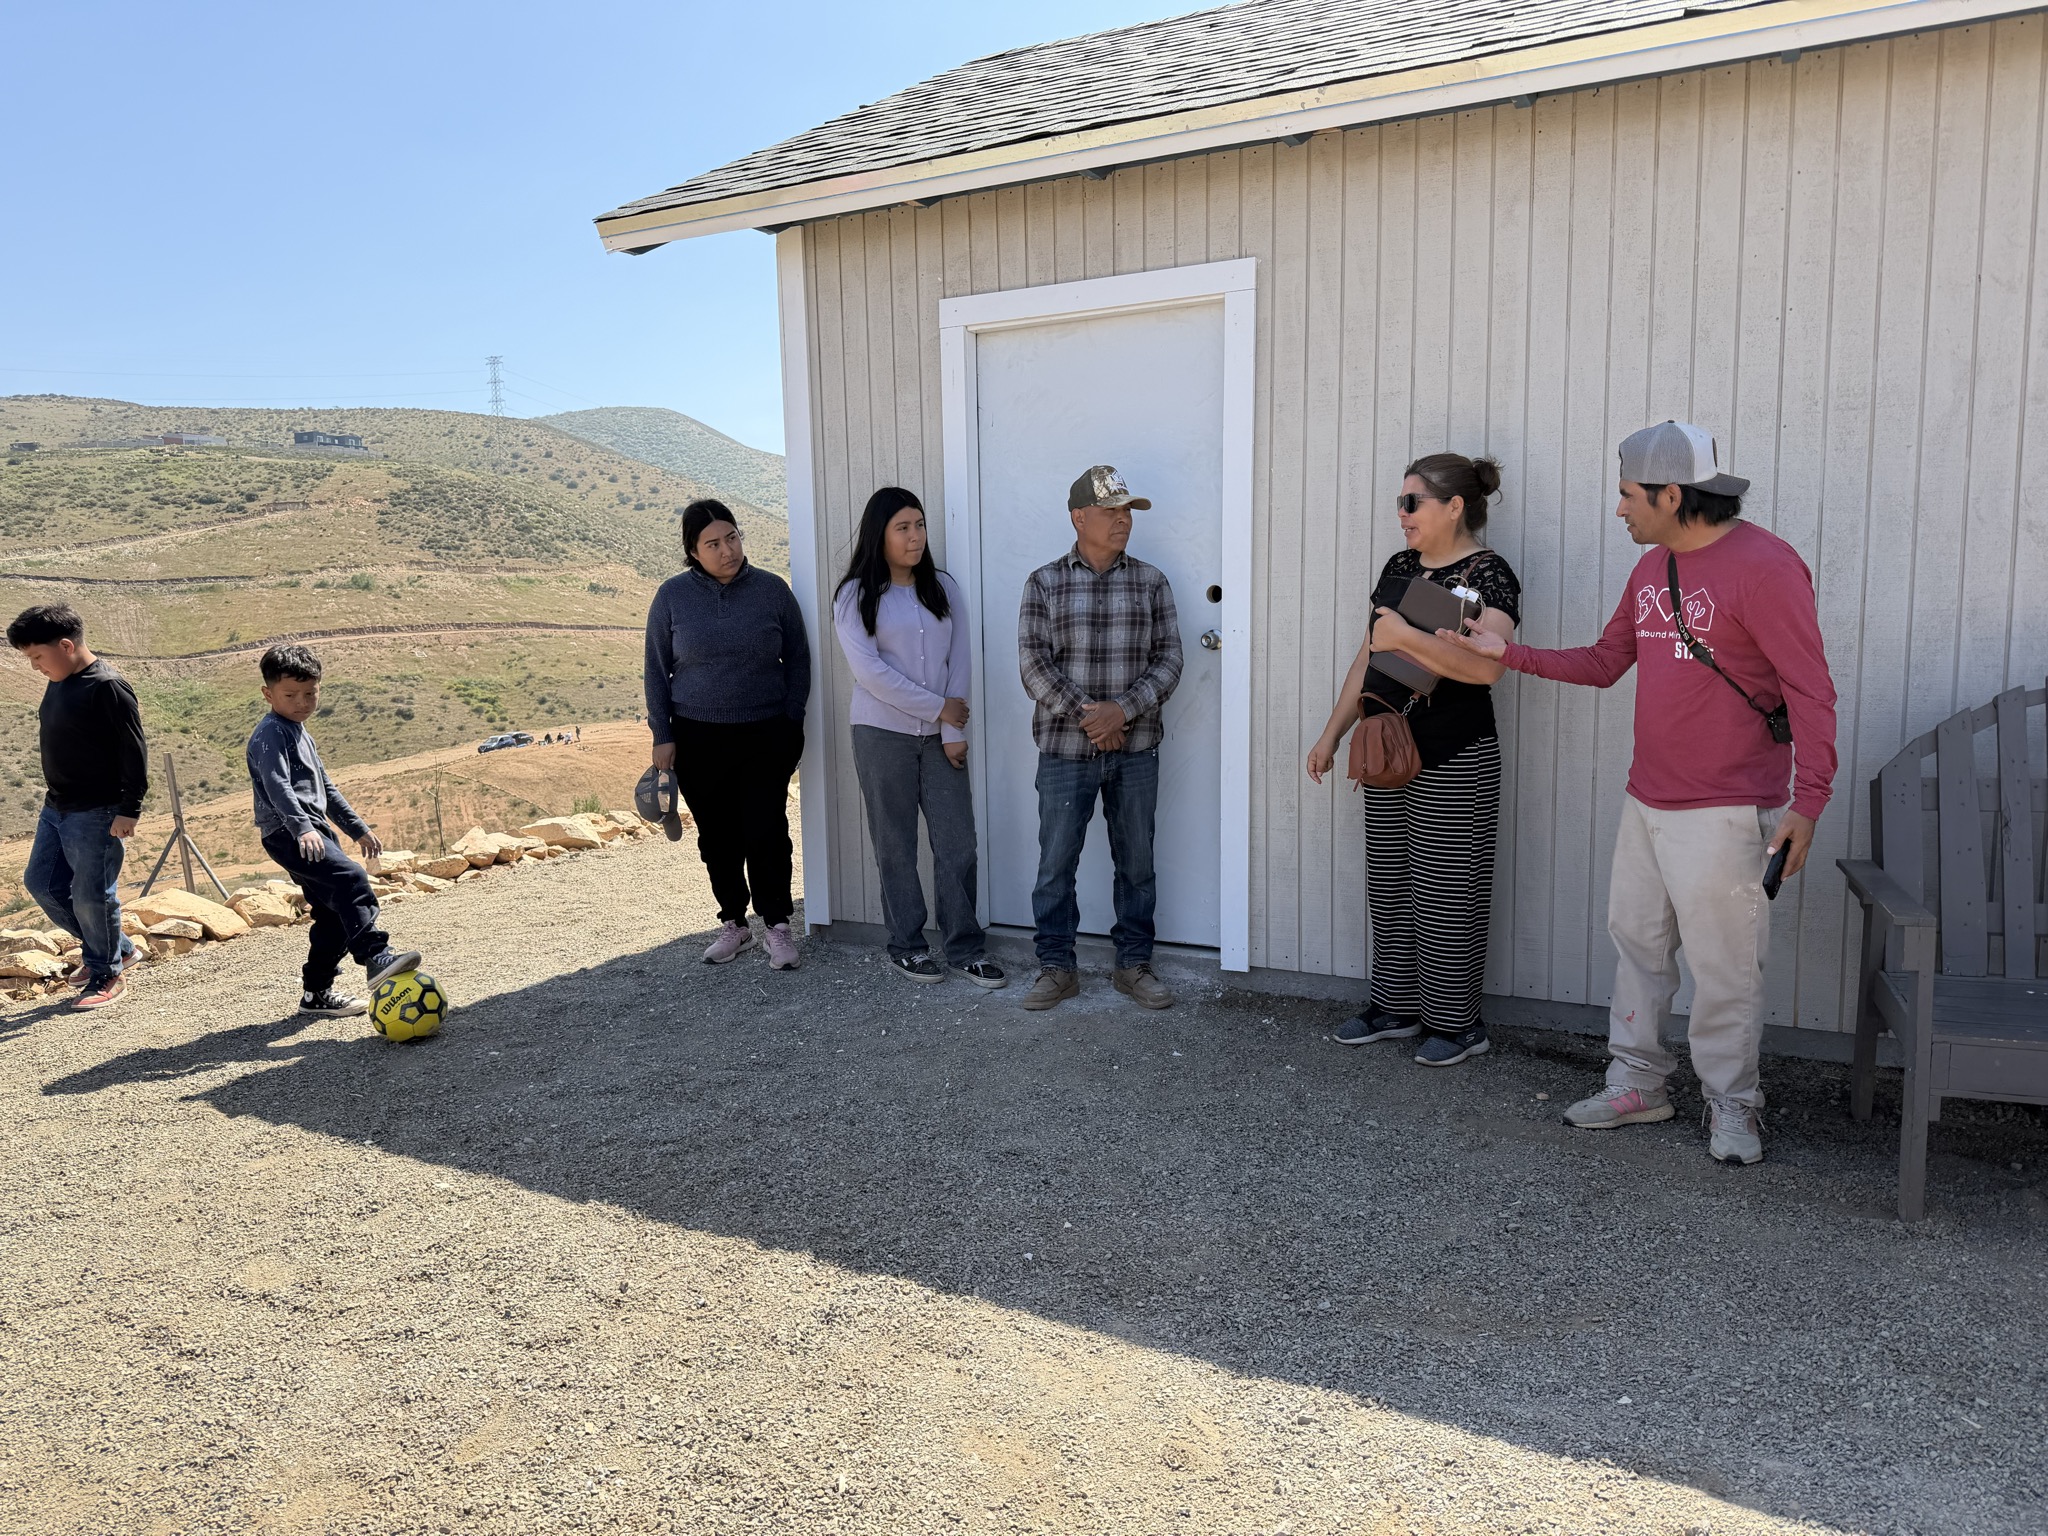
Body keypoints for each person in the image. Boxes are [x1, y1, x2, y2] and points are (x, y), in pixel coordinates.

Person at [1442, 421, 1838, 1164]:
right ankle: (1639, 1083)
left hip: (1726, 808)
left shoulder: (1767, 566)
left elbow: (1811, 690)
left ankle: (1734, 1104)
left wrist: (1808, 802)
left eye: (1628, 495)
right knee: (1638, 948)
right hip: (1648, 798)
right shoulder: (1654, 568)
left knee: (1725, 968)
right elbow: (1603, 661)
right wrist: (1506, 652)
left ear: (1671, 493)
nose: (1619, 509)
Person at [1307, 454, 1521, 1067]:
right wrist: (1332, 734)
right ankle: (1396, 1007)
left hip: (1454, 751)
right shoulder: (1400, 567)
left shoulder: (1490, 574)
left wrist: (1406, 636)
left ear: (1454, 507)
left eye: (1411, 503)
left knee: (1448, 888)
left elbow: (1487, 666)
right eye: (1400, 502)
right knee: (1392, 883)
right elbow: (1369, 655)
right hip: (1386, 749)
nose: (1400, 515)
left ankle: (1457, 1024)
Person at [1016, 465, 1184, 1011]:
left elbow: (1170, 660)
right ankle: (1056, 967)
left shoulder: (1151, 581)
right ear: (1078, 517)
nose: (1122, 521)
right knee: (1055, 865)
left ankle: (1132, 964)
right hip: (1065, 752)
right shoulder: (1043, 583)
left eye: (1127, 511)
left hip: (1136, 750)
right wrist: (1093, 717)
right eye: (1111, 511)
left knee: (1137, 861)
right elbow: (1033, 667)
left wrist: (1122, 712)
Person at [833, 487, 1006, 988]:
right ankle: (907, 946)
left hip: (940, 741)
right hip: (880, 734)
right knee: (895, 843)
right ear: (879, 534)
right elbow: (871, 674)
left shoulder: (944, 588)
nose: (915, 537)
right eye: (902, 528)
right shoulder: (855, 595)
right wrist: (939, 709)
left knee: (958, 844)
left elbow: (960, 661)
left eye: (920, 525)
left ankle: (964, 948)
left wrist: (951, 728)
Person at [645, 499, 811, 970]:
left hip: (766, 733)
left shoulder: (772, 590)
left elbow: (798, 657)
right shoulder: (672, 597)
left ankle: (777, 926)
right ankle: (734, 924)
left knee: (767, 831)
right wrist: (663, 733)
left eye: (732, 537)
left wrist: (792, 716)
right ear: (693, 551)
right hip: (698, 737)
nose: (727, 550)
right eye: (713, 544)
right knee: (717, 837)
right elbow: (656, 671)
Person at [247, 644, 420, 1016]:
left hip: (312, 830)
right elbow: (277, 785)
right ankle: (376, 956)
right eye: (290, 695)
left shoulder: (300, 732)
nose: (302, 702)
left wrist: (358, 830)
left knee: (332, 912)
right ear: (268, 694)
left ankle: (316, 994)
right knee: (351, 878)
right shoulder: (270, 734)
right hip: (289, 833)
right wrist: (301, 828)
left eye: (310, 693)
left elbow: (325, 788)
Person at [9, 603, 146, 1011]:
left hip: (98, 811)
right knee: (43, 883)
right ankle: (117, 949)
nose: (34, 666)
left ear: (66, 645)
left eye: (37, 656)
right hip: (57, 808)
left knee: (92, 896)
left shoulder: (106, 686)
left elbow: (134, 752)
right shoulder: (61, 679)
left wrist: (130, 808)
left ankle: (106, 975)